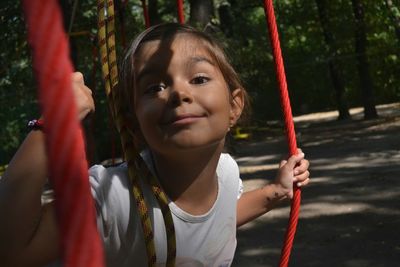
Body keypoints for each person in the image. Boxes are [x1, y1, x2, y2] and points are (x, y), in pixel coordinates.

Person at [0, 23, 310, 267]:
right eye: (155, 87)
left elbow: (221, 217)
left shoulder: (227, 173)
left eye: (199, 78)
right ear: (132, 124)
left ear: (234, 106)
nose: (178, 93)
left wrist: (276, 192)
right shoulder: (112, 198)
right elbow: (12, 251)